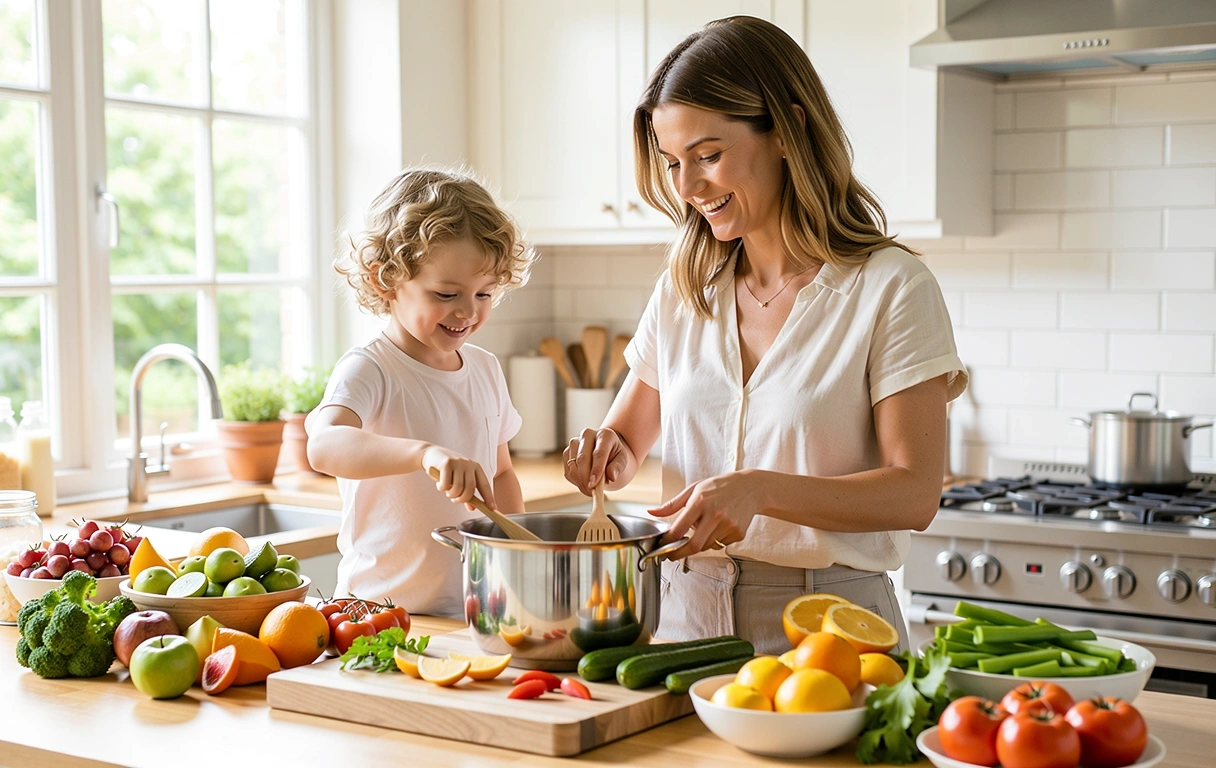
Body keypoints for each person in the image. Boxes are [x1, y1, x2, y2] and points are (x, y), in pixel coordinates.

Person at [563, 17, 967, 656]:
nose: (688, 189)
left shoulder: (891, 287)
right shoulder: (684, 286)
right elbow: (627, 439)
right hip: (683, 620)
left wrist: (763, 489)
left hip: (830, 629)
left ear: (788, 131)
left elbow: (915, 492)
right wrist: (604, 452)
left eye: (709, 155)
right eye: (673, 164)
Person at [307, 167, 537, 618]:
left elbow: (503, 474)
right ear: (384, 281)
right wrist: (423, 454)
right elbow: (324, 445)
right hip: (373, 613)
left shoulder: (486, 370)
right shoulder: (372, 368)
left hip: (472, 610)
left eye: (485, 294)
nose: (468, 311)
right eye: (447, 293)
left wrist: (520, 559)